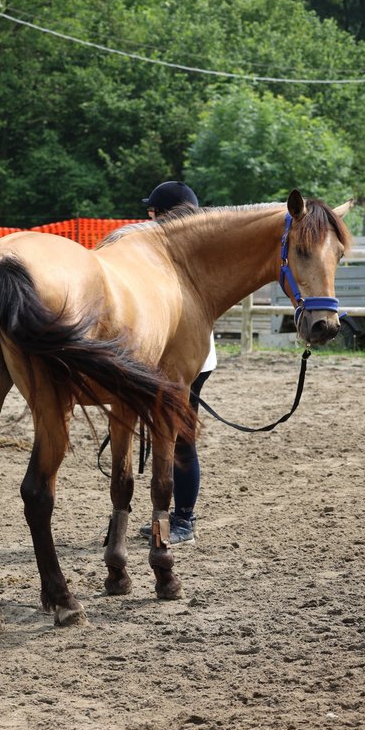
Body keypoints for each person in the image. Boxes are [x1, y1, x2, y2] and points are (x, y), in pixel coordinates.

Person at [136, 181, 216, 546]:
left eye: (152, 211)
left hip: (189, 354)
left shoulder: (185, 248)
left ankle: (182, 520)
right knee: (165, 436)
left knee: (180, 437)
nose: (148, 217)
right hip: (166, 350)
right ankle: (164, 517)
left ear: (165, 213)